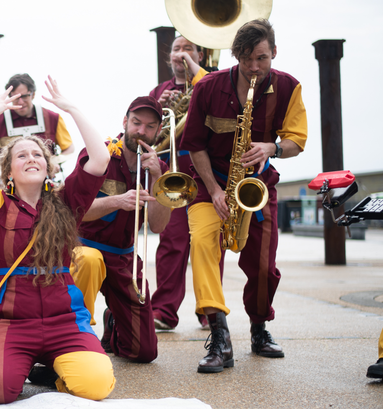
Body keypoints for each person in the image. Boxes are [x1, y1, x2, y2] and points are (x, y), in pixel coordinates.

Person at [0, 77, 115, 404]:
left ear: (47, 166)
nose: (31, 158)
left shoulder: (66, 201)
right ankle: (28, 362)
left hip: (65, 320)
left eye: (37, 155)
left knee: (97, 386)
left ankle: (57, 369)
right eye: (21, 156)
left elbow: (100, 159)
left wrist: (70, 108)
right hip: (11, 321)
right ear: (9, 170)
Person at [180, 19, 307, 373]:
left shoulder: (288, 87)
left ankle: (259, 328)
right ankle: (219, 336)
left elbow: (297, 140)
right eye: (247, 59)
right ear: (236, 56)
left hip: (257, 185)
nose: (254, 68)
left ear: (274, 53)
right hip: (212, 185)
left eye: (262, 59)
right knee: (203, 245)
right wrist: (216, 189)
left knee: (264, 267)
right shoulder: (207, 87)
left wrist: (272, 147)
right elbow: (194, 145)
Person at [71, 97, 171, 362]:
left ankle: (113, 320)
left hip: (124, 257)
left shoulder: (158, 168)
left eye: (149, 127)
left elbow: (158, 226)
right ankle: (73, 340)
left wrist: (158, 178)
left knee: (144, 352)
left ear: (158, 131)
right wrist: (117, 201)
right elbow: (73, 210)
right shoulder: (99, 154)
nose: (141, 131)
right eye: (136, 123)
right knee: (89, 262)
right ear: (125, 122)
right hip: (82, 249)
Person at [148, 36, 217, 331]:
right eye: (176, 49)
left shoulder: (211, 82)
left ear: (200, 55)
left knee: (209, 242)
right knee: (171, 243)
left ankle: (209, 310)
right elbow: (147, 134)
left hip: (206, 172)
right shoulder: (159, 91)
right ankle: (163, 310)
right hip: (173, 171)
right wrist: (157, 109)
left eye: (188, 49)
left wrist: (195, 70)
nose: (181, 54)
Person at [0, 73, 74, 168]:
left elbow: (69, 148)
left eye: (25, 96)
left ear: (33, 94)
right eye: (16, 97)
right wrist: (9, 167)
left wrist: (53, 163)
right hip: (9, 181)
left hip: (47, 180)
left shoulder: (53, 118)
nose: (20, 102)